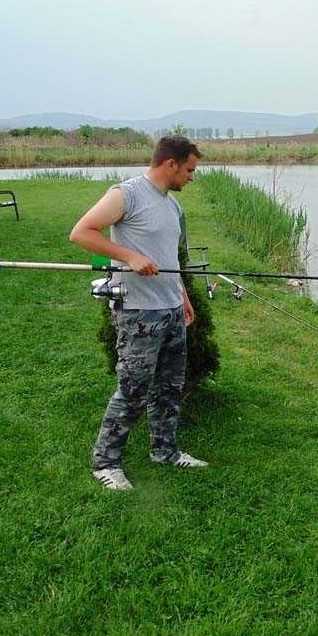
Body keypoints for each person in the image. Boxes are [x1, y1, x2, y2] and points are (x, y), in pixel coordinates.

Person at [69, 135, 207, 491]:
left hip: (171, 309)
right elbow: (82, 232)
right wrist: (128, 256)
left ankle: (166, 451)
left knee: (169, 387)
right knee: (132, 390)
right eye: (189, 169)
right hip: (138, 313)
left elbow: (170, 259)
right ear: (170, 164)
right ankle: (106, 462)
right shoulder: (127, 194)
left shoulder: (172, 206)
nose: (192, 176)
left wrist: (184, 297)